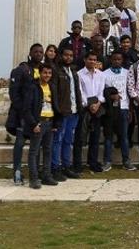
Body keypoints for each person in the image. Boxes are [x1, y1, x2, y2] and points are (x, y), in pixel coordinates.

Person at [7, 43, 43, 185]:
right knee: (20, 143)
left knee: (37, 144)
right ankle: (17, 171)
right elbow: (14, 94)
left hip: (38, 114)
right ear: (30, 52)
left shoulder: (43, 70)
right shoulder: (21, 70)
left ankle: (35, 172)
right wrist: (23, 111)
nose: (39, 54)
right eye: (36, 51)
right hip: (23, 114)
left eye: (41, 52)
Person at [18, 63, 58, 189]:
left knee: (48, 150)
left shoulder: (51, 86)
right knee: (34, 152)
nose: (47, 75)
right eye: (45, 73)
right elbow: (26, 108)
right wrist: (33, 124)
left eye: (49, 73)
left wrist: (55, 123)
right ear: (40, 73)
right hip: (38, 123)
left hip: (50, 121)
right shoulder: (33, 87)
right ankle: (33, 178)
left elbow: (55, 105)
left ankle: (46, 176)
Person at [51, 46, 83, 181]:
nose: (68, 57)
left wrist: (79, 107)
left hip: (74, 111)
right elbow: (54, 94)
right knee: (58, 140)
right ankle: (55, 168)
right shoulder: (56, 71)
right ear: (61, 56)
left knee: (68, 140)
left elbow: (77, 90)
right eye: (66, 55)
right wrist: (57, 111)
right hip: (62, 112)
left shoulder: (73, 71)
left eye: (71, 55)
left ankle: (66, 166)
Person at [101, 50, 133, 170]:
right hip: (110, 110)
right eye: (114, 59)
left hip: (123, 108)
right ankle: (107, 161)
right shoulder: (104, 74)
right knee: (108, 136)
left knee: (124, 136)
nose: (116, 61)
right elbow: (101, 92)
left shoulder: (127, 73)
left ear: (122, 60)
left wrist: (130, 110)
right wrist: (110, 96)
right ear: (111, 60)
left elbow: (130, 91)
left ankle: (126, 161)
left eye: (119, 59)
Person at [76, 50, 107, 173]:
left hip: (97, 107)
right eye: (90, 59)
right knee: (80, 137)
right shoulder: (79, 74)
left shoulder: (101, 74)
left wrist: (98, 103)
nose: (92, 62)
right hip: (84, 108)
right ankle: (77, 164)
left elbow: (101, 92)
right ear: (85, 60)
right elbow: (80, 92)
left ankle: (92, 162)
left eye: (94, 60)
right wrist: (89, 105)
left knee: (95, 138)